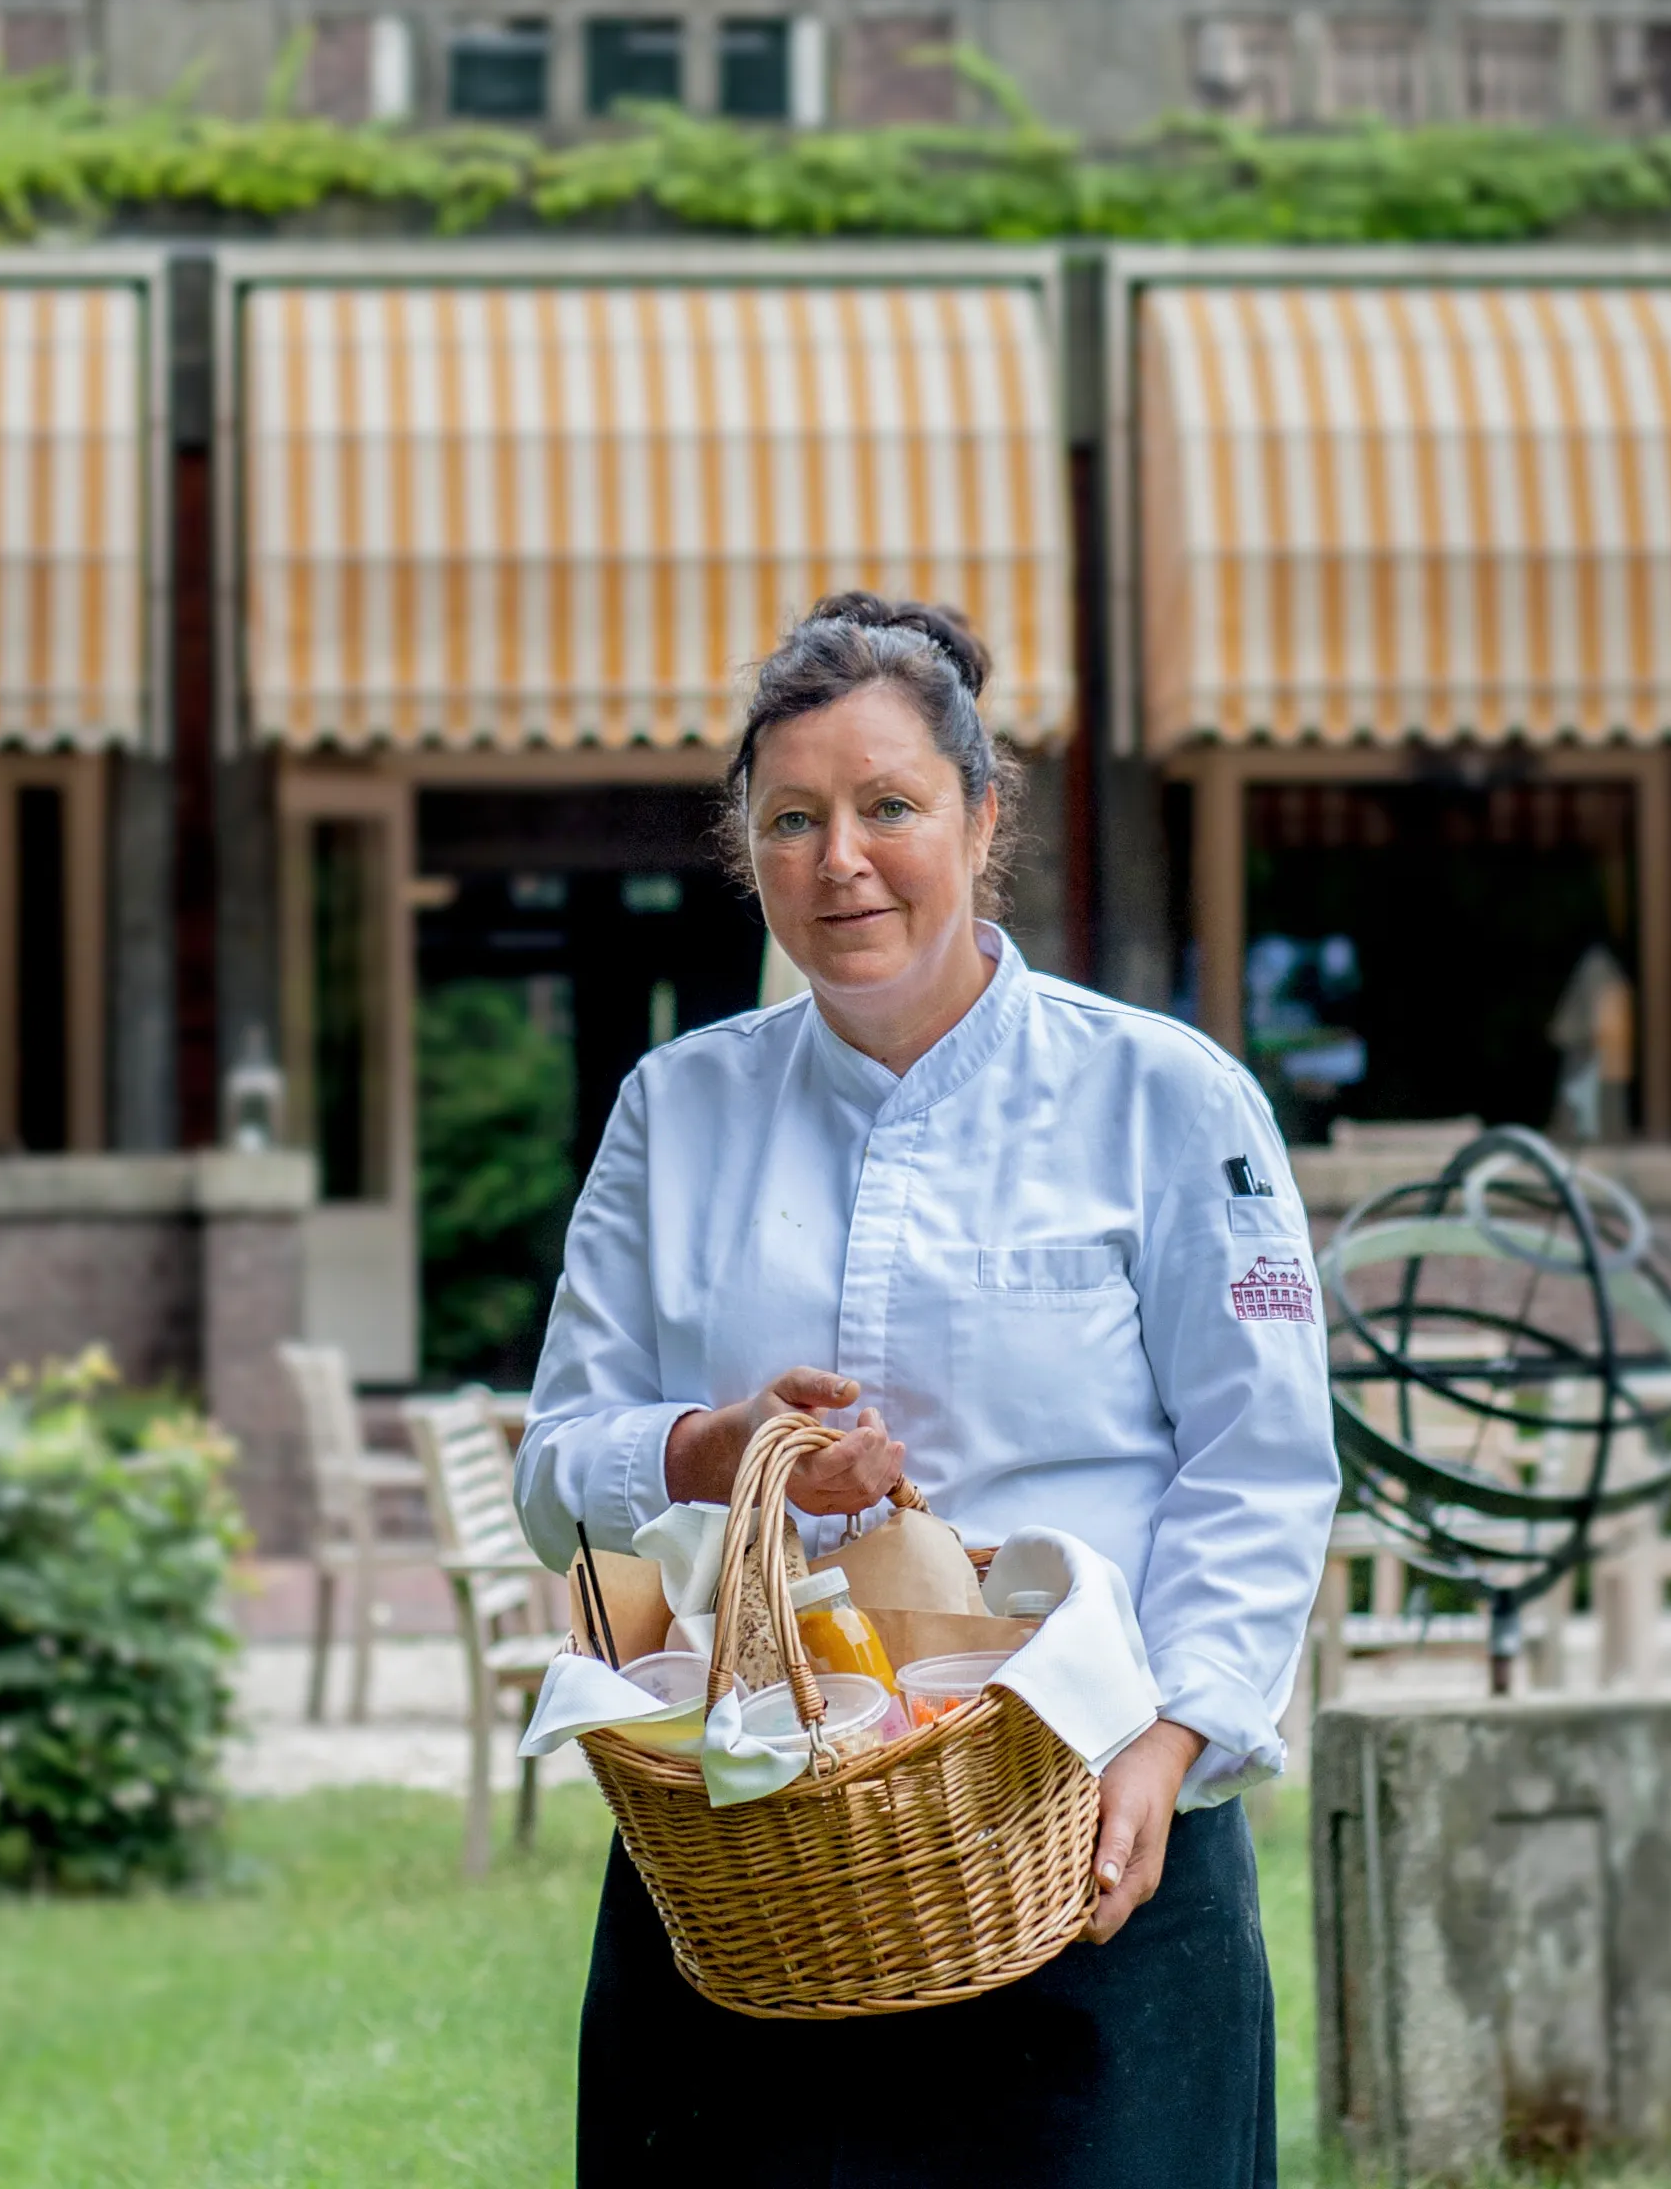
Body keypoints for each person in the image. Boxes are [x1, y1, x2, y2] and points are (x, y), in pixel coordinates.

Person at [515, 591, 1339, 2188]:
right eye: (792, 820)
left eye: (890, 806)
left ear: (984, 816)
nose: (841, 862)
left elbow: (1261, 1465)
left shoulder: (1167, 1102)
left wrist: (1169, 1746)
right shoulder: (674, 1111)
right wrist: (712, 1447)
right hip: (753, 1859)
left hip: (1091, 1844)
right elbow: (557, 1467)